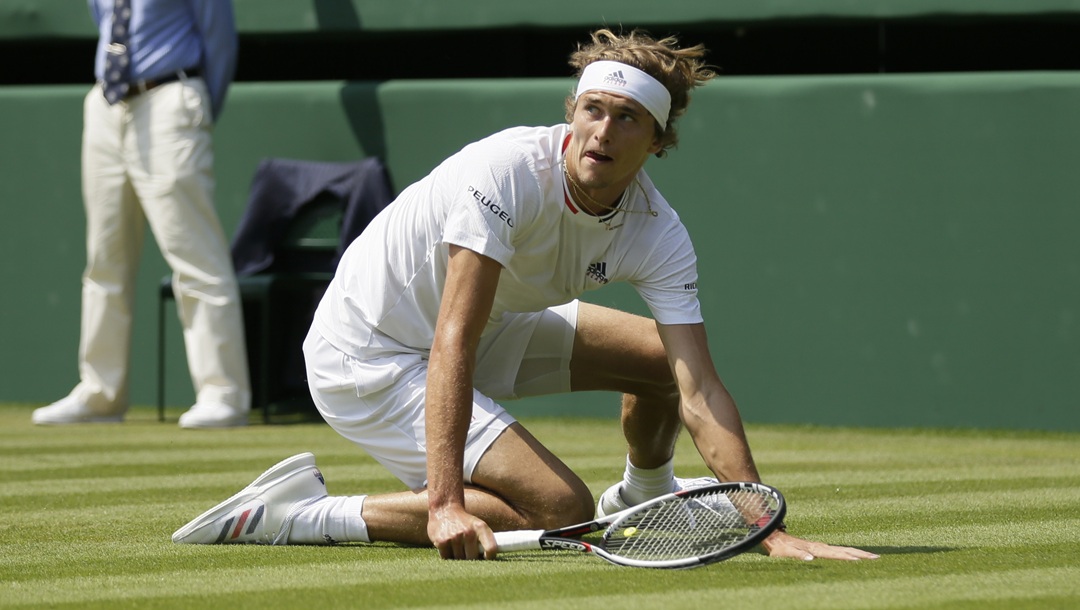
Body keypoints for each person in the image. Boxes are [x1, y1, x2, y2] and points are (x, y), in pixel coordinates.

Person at [173, 29, 879, 560]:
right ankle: (298, 514)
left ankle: (643, 498)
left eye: (628, 118)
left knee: (662, 363)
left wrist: (766, 527)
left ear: (658, 141)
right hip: (369, 352)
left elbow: (699, 390)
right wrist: (445, 505)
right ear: (572, 112)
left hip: (489, 329)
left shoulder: (659, 232)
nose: (602, 131)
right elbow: (452, 332)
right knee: (560, 509)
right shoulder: (506, 171)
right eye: (593, 109)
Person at [32, 0, 251, 429]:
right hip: (105, 104)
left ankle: (222, 393)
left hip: (170, 99)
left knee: (195, 256)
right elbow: (106, 21)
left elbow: (219, 38)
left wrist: (197, 106)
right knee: (104, 260)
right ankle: (101, 393)